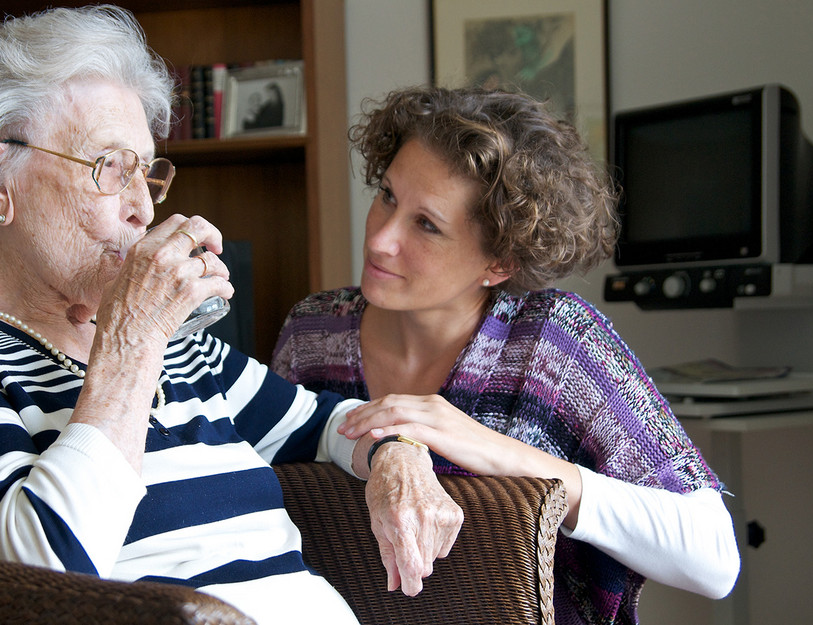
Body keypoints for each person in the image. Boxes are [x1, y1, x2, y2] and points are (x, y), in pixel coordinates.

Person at [0, 8, 463, 625]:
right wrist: (132, 339)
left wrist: (399, 456)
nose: (142, 209)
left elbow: (338, 424)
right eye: (108, 168)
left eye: (146, 173)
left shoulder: (183, 350)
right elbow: (41, 575)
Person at [271, 86, 741, 625]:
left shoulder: (553, 343)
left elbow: (713, 558)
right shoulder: (313, 330)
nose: (381, 239)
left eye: (427, 224)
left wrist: (496, 452)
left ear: (499, 262)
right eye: (388, 196)